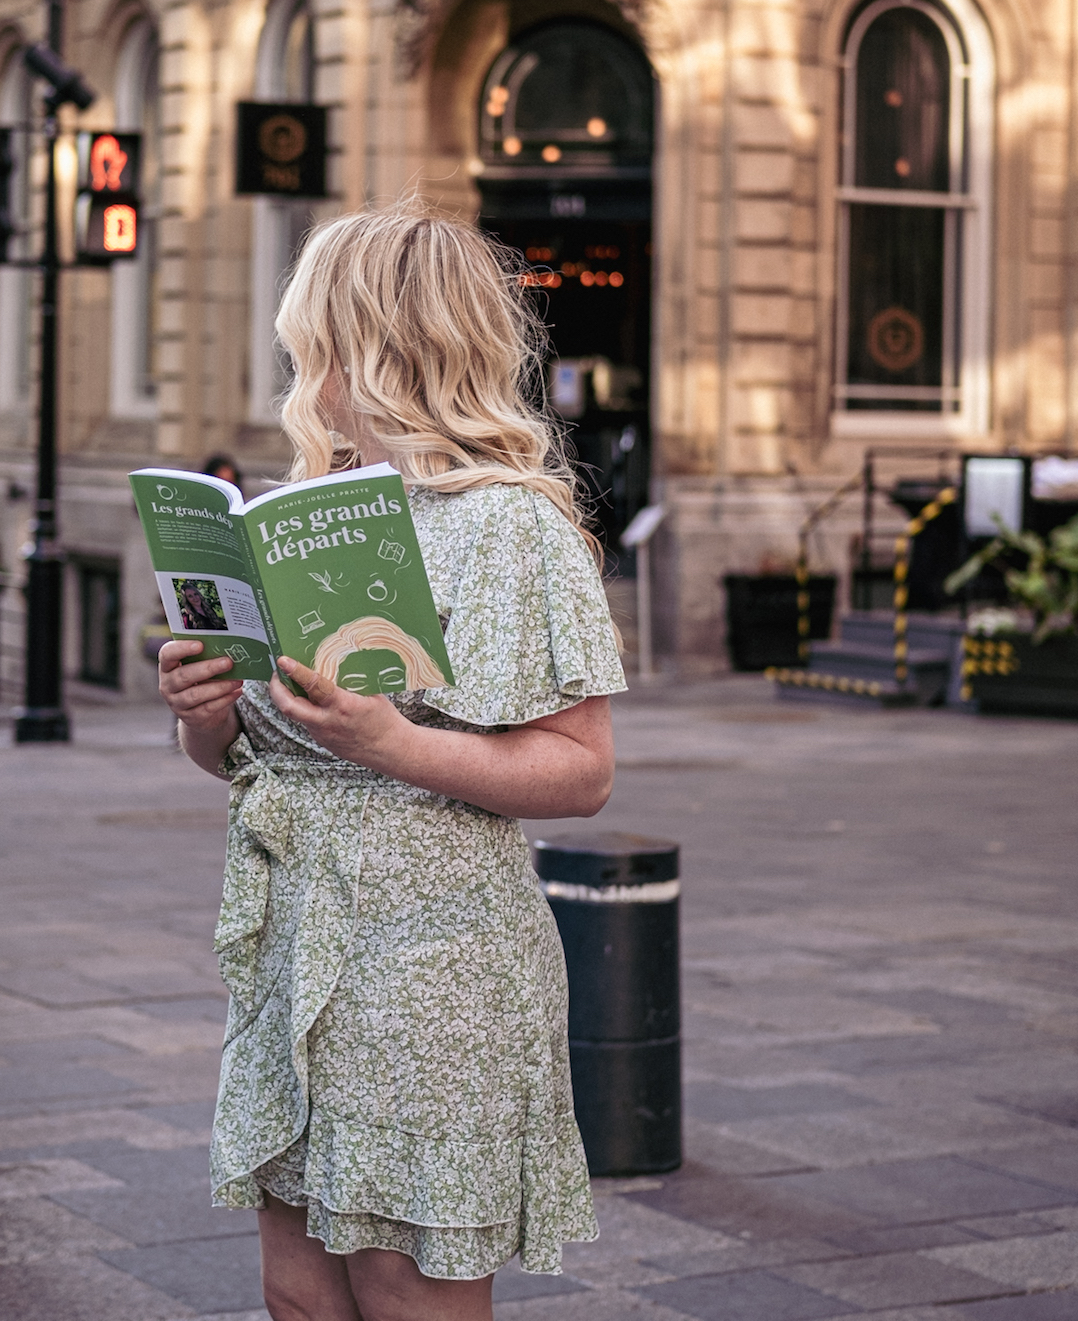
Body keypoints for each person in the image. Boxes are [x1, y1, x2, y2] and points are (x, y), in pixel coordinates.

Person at [159, 207, 624, 1321]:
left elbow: (582, 770)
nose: (303, 374)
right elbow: (241, 758)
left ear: (380, 351)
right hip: (293, 940)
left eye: (315, 346)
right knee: (300, 1295)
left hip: (434, 961)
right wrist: (202, 712)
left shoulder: (516, 525)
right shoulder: (291, 519)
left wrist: (396, 744)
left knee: (404, 1293)